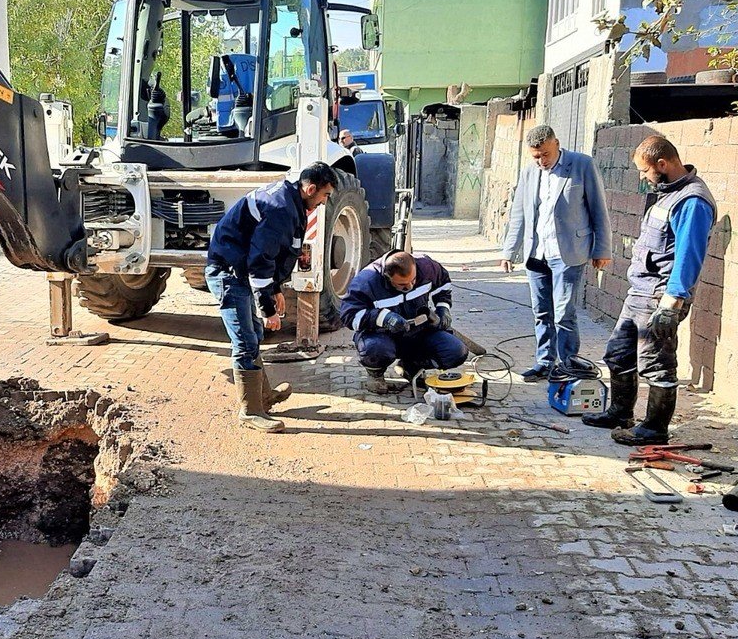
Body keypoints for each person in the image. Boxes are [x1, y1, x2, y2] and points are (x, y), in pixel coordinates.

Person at [583, 136, 716, 445]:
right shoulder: (667, 194)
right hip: (639, 291)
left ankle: (655, 429)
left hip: (660, 296)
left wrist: (672, 303)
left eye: (645, 171)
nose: (643, 178)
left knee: (657, 364)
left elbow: (688, 255)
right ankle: (620, 413)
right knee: (618, 354)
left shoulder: (692, 201)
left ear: (662, 164)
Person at [206, 162, 337, 432]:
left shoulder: (290, 201)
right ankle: (250, 411)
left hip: (237, 270)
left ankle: (262, 397)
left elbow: (274, 252)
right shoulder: (281, 209)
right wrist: (268, 310)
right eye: (325, 195)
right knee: (245, 341)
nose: (324, 202)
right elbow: (260, 261)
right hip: (229, 274)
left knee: (252, 334)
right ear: (311, 189)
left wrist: (275, 288)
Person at [499, 124, 612, 382]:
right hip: (537, 253)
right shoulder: (529, 172)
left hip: (569, 252)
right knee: (541, 311)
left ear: (557, 144)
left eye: (545, 154)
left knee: (563, 312)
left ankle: (568, 363)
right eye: (536, 157)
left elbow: (599, 210)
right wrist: (509, 251)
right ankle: (545, 362)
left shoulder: (582, 165)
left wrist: (602, 249)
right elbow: (519, 213)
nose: (541, 161)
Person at [339, 250, 469, 394]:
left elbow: (443, 284)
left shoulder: (427, 267)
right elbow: (348, 315)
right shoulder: (367, 281)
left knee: (456, 351)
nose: (410, 287)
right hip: (382, 336)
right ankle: (376, 374)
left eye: (413, 280)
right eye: (402, 284)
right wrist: (383, 318)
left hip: (419, 332)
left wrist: (443, 308)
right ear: (387, 277)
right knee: (375, 349)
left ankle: (411, 367)